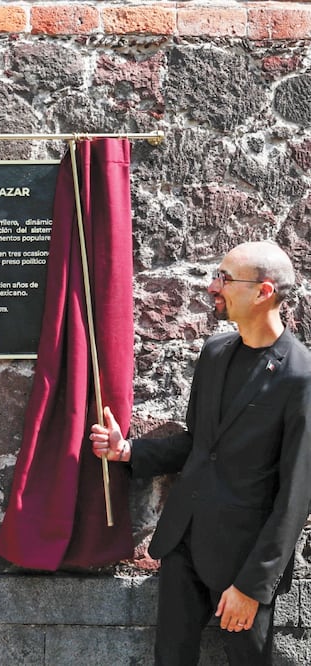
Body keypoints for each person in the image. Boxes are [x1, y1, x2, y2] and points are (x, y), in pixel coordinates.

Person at [90, 241, 311, 665]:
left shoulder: (300, 378)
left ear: (263, 292)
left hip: (243, 562)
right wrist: (129, 451)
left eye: (225, 278)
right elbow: (200, 443)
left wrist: (253, 586)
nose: (213, 285)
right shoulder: (214, 353)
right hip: (183, 544)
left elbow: (296, 497)